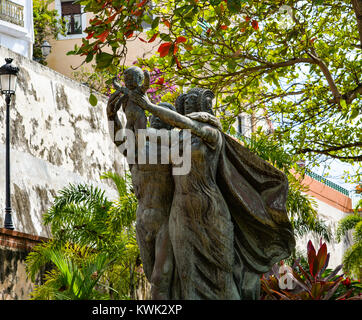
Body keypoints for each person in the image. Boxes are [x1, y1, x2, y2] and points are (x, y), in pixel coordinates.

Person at [128, 88, 295, 299]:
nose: (188, 104)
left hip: (209, 207)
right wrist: (127, 109)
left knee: (221, 274)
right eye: (185, 101)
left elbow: (189, 124)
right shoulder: (176, 138)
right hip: (180, 213)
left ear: (203, 104)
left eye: (193, 101)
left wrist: (150, 106)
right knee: (186, 275)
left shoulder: (212, 134)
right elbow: (137, 141)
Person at [107, 91, 177, 299]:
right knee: (151, 275)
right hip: (143, 221)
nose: (154, 121)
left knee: (160, 278)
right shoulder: (139, 149)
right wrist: (112, 116)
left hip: (166, 221)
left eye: (160, 118)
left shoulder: (175, 150)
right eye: (154, 118)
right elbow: (121, 141)